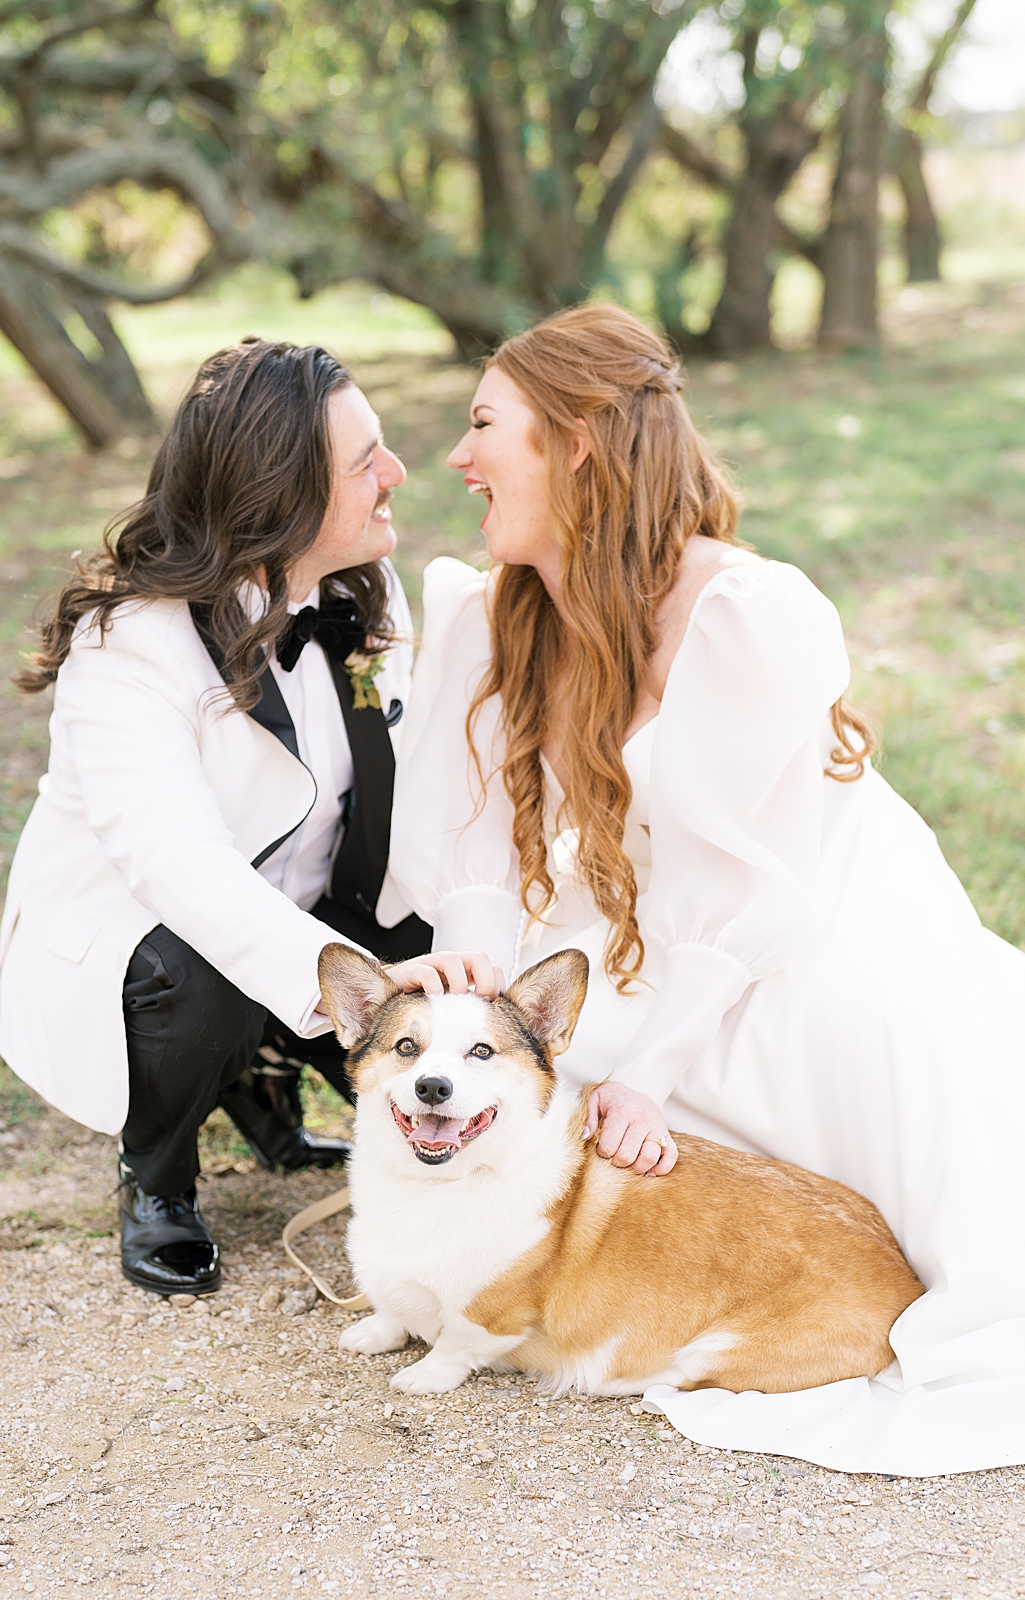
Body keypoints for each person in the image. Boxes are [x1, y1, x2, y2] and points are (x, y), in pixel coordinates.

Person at [390, 303, 1025, 1476]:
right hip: (631, 903)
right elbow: (473, 845)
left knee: (864, 1026)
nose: (457, 457)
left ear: (576, 443)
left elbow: (746, 883)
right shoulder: (489, 612)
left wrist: (652, 1071)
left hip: (804, 888)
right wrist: (475, 976)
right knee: (547, 1057)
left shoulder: (740, 610)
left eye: (483, 425)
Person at [0, 337, 499, 1300]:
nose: (396, 475)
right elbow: (178, 866)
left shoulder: (362, 591)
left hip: (308, 903)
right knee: (196, 962)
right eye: (364, 464)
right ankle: (159, 1177)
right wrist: (359, 976)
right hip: (147, 942)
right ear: (282, 498)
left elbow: (410, 790)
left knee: (444, 943)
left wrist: (431, 941)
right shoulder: (130, 643)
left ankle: (263, 1076)